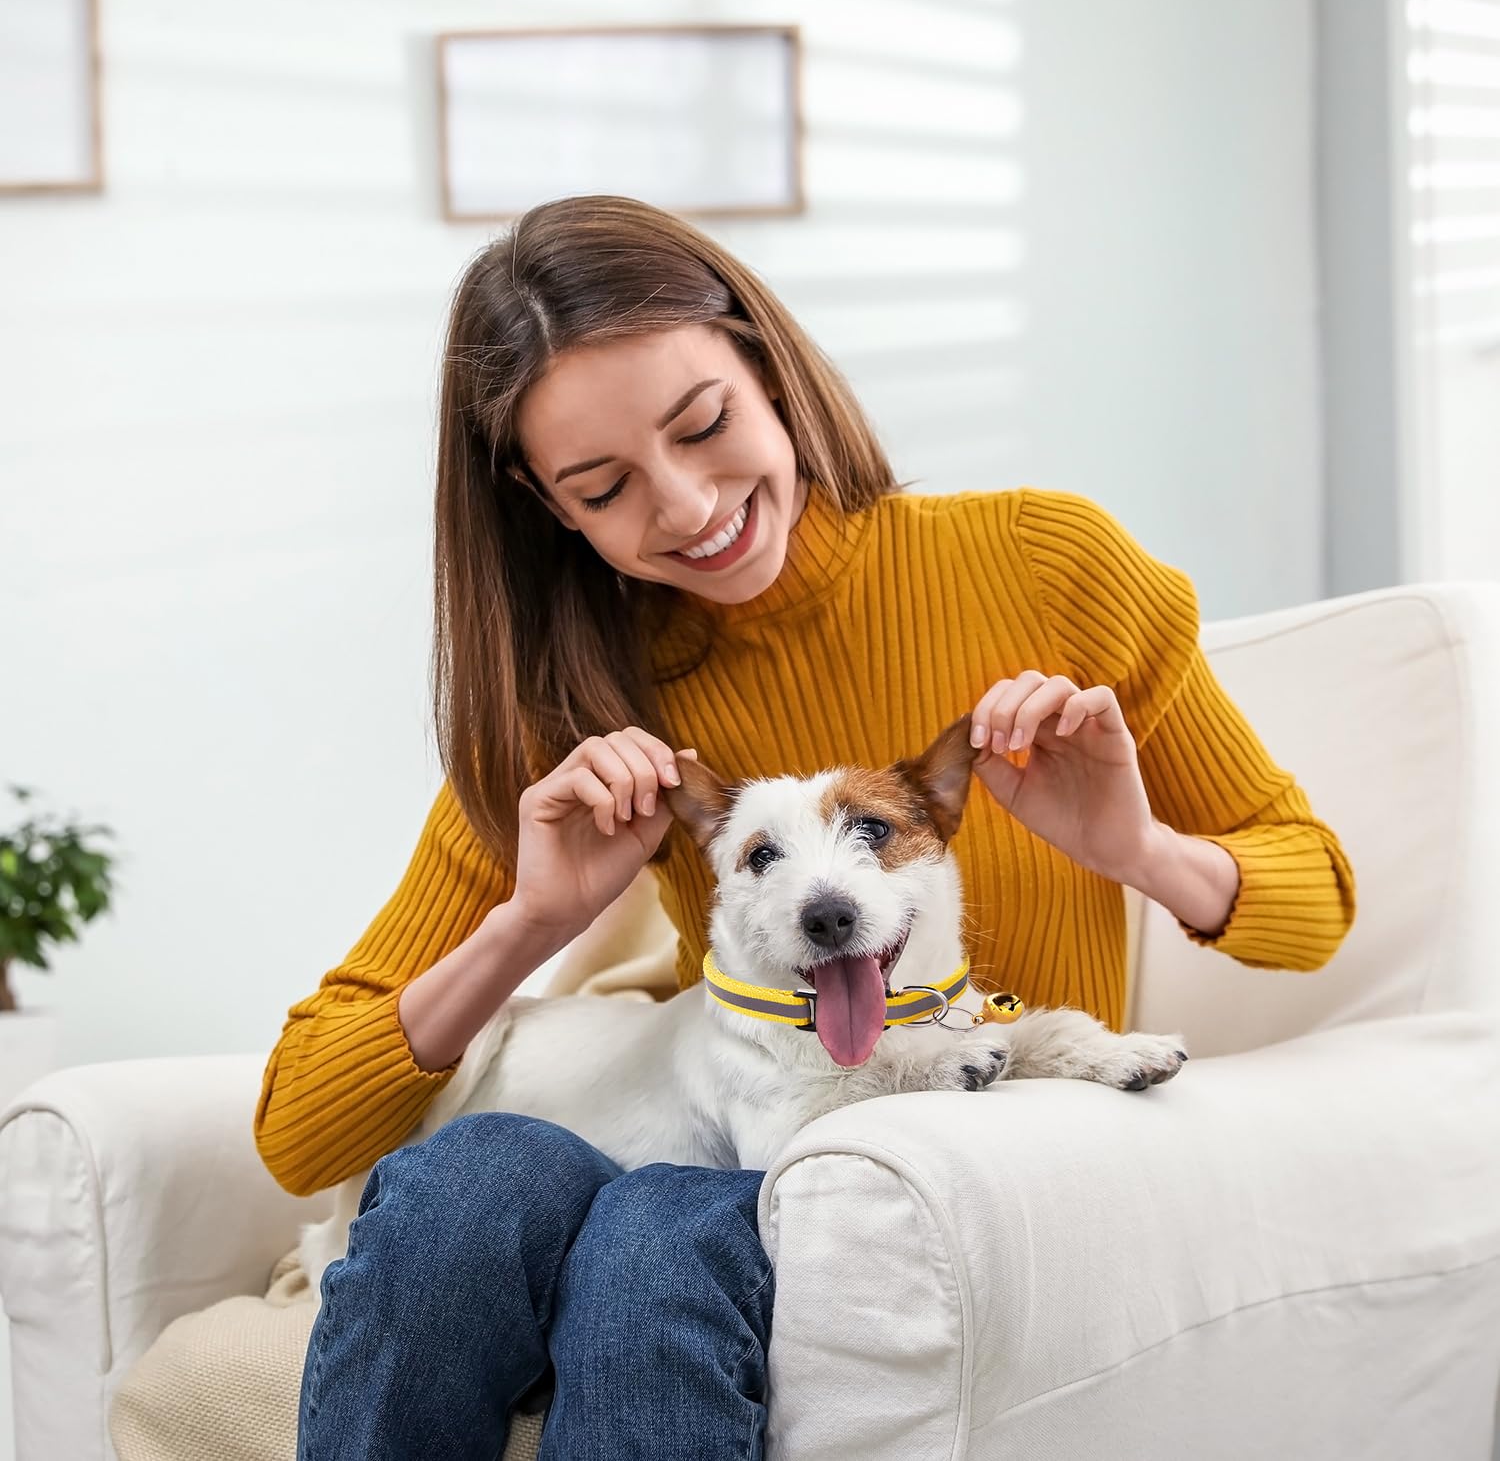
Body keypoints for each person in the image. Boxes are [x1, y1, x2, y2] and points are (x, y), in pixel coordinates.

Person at [258, 194, 1357, 1461]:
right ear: (545, 504)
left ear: (769, 368)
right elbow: (302, 1128)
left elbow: (1315, 903)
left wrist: (1137, 852)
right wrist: (534, 924)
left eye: (705, 424)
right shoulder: (573, 709)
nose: (683, 508)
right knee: (465, 1190)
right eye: (605, 486)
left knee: (654, 1240)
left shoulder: (1046, 564)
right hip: (730, 1109)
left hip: (951, 1143)